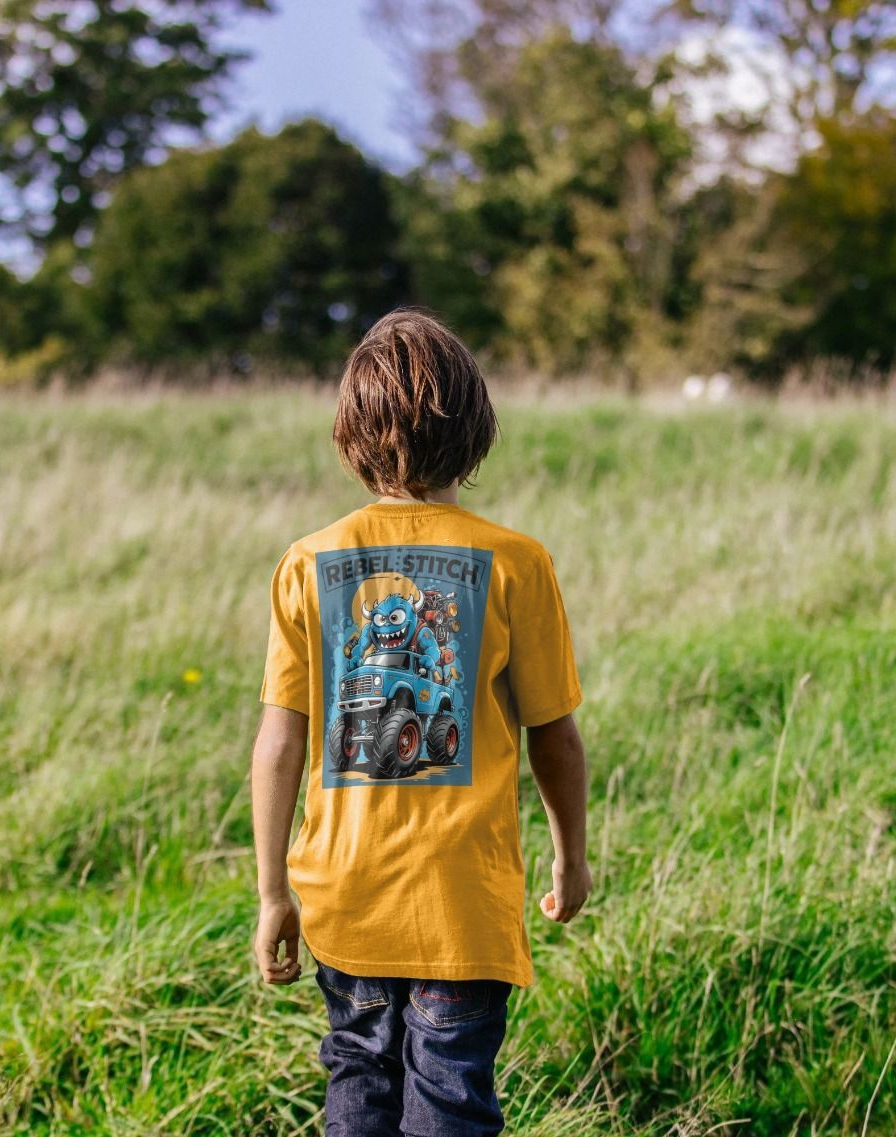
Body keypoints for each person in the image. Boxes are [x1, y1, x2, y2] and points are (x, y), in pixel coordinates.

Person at [251, 308, 591, 1137]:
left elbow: (279, 743)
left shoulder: (310, 559)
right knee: (449, 1100)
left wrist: (272, 894)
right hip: (462, 902)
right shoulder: (516, 560)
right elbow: (554, 733)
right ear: (475, 429)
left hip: (344, 892)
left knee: (357, 1081)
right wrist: (571, 855)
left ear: (349, 434)